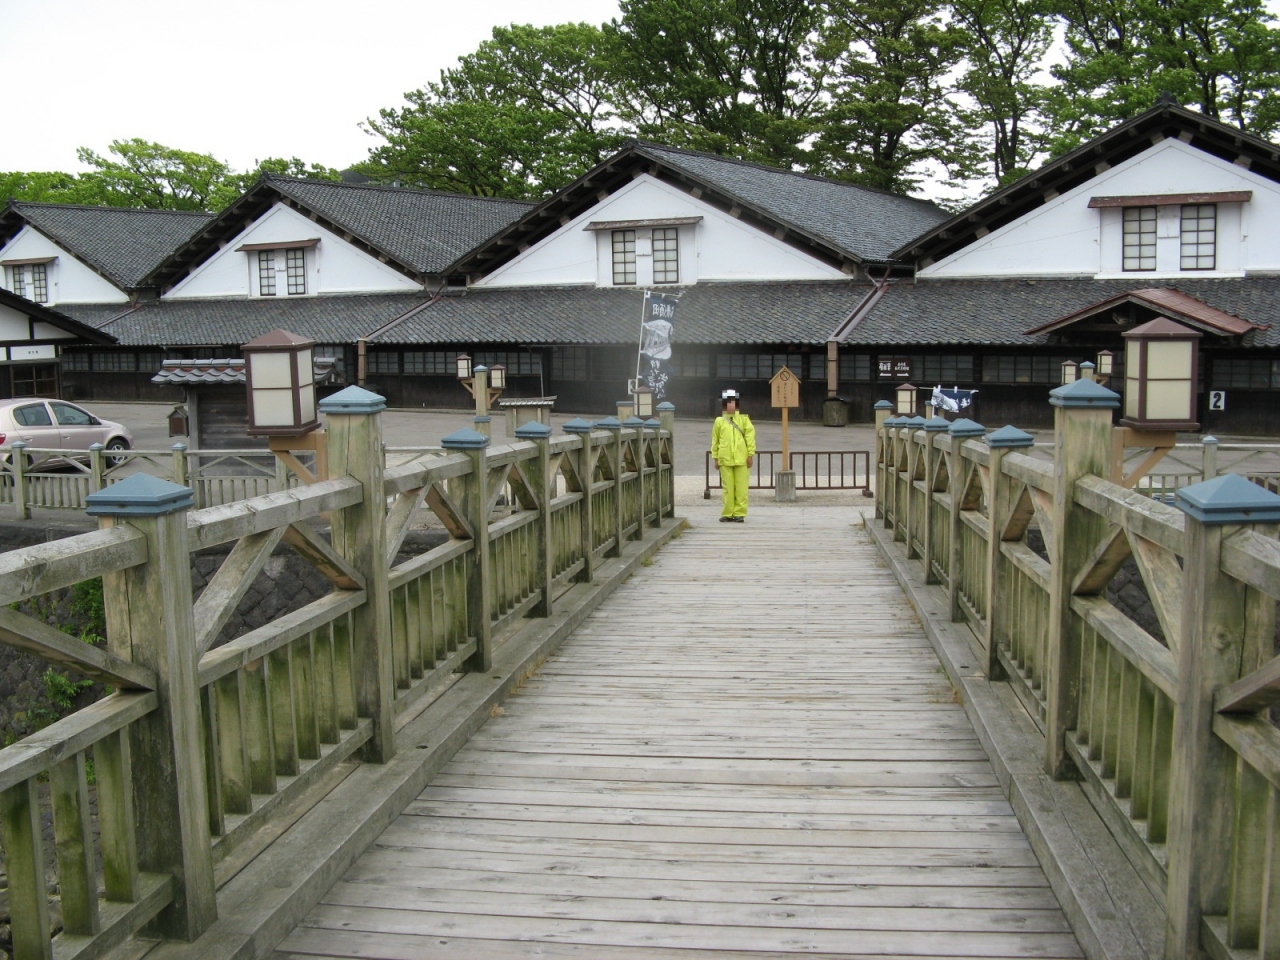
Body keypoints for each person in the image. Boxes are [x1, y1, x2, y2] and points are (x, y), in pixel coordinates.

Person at [711, 388, 755, 523]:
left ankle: (739, 513)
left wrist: (750, 454)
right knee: (727, 488)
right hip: (725, 458)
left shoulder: (744, 419)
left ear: (737, 404)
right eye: (727, 402)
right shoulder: (719, 421)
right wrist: (715, 457)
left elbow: (750, 438)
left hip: (742, 458)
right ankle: (728, 513)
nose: (730, 405)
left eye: (733, 402)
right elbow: (715, 440)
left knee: (741, 488)